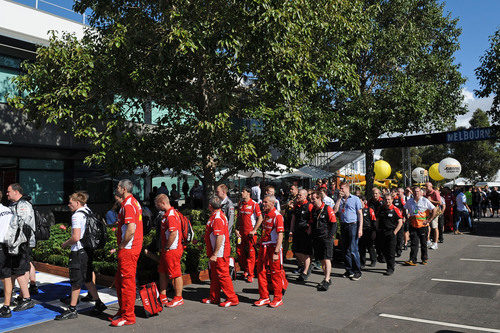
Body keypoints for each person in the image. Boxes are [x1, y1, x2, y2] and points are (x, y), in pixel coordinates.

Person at [55, 192, 107, 320]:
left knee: (75, 281)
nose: (68, 205)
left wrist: (65, 244)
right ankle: (99, 303)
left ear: (77, 203)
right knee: (88, 278)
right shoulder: (87, 210)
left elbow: (76, 237)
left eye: (70, 202)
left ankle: (72, 309)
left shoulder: (77, 216)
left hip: (78, 251)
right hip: (88, 250)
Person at [109, 179, 143, 327]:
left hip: (128, 249)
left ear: (123, 189)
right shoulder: (132, 202)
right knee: (120, 282)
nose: (116, 189)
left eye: (118, 187)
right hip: (129, 247)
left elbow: (131, 229)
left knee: (126, 283)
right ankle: (123, 311)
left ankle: (128, 316)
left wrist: (122, 245)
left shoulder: (129, 204)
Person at [250, 195, 287, 307]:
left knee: (276, 273)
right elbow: (266, 231)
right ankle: (264, 297)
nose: (263, 204)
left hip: (273, 248)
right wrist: (259, 241)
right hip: (264, 247)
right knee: (260, 271)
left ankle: (277, 298)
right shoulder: (266, 215)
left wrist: (276, 252)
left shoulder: (277, 216)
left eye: (266, 202)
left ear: (272, 203)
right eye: (263, 202)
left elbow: (280, 235)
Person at [202, 197, 239, 307]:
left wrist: (215, 253)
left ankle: (232, 299)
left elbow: (220, 237)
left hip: (219, 253)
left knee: (223, 276)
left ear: (210, 206)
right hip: (217, 252)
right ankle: (214, 297)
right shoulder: (217, 216)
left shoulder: (217, 218)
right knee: (215, 275)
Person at [5, 183, 35, 312]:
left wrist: (13, 243)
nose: (7, 193)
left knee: (18, 270)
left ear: (16, 192)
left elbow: (21, 227)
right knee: (21, 269)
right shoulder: (15, 205)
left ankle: (27, 299)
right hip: (19, 243)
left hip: (21, 244)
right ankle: (22, 296)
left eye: (9, 191)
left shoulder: (23, 205)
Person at [154, 194, 184, 308]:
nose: (157, 207)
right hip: (168, 249)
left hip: (172, 250)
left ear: (162, 203)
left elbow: (173, 233)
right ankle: (163, 295)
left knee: (175, 274)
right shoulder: (168, 214)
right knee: (162, 271)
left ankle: (178, 297)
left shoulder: (171, 215)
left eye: (157, 204)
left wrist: (167, 246)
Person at [334, 182, 363, 281]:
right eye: (340, 188)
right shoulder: (340, 199)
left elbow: (360, 214)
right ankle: (349, 270)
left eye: (342, 188)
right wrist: (338, 199)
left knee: (353, 249)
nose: (340, 190)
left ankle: (357, 271)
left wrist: (360, 228)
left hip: (353, 225)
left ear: (347, 188)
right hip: (343, 225)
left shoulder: (355, 199)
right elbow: (335, 210)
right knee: (345, 249)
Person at [404, 186, 438, 266]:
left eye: (418, 191)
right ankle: (412, 260)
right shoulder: (410, 201)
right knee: (414, 243)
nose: (416, 193)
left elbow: (434, 210)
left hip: (423, 226)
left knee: (423, 243)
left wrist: (429, 220)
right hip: (413, 225)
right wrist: (406, 218)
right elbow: (404, 209)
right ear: (412, 192)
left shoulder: (425, 200)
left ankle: (424, 259)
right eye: (415, 191)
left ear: (420, 192)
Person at [310, 191, 337, 291]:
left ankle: (327, 279)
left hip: (326, 238)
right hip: (317, 238)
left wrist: (330, 236)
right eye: (311, 198)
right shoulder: (314, 209)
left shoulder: (327, 208)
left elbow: (334, 224)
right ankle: (327, 277)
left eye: (314, 198)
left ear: (319, 198)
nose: (312, 200)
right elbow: (312, 223)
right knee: (321, 259)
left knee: (327, 259)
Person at [235, 187, 262, 283]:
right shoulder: (240, 204)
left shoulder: (254, 204)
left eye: (243, 191)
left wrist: (254, 230)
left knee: (251, 253)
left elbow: (260, 218)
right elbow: (238, 218)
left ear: (248, 193)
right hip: (241, 233)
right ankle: (246, 269)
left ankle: (251, 274)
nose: (241, 192)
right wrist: (236, 229)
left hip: (250, 233)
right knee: (240, 252)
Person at [290, 189, 313, 281]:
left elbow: (312, 219)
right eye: (298, 195)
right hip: (297, 231)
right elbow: (293, 219)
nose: (298, 196)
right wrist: (291, 230)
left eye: (300, 195)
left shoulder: (309, 206)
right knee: (295, 250)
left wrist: (309, 229)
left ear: (305, 196)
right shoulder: (296, 206)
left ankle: (305, 271)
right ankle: (305, 265)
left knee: (305, 252)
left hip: (305, 232)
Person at [377, 194, 403, 276]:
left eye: (388, 199)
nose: (387, 201)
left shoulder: (395, 209)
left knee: (391, 252)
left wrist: (395, 232)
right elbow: (377, 219)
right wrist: (377, 229)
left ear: (392, 200)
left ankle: (390, 268)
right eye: (385, 200)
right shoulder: (381, 208)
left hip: (391, 233)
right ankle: (390, 263)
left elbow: (400, 222)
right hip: (382, 232)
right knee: (383, 250)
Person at [0, 191, 14, 318]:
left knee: (5, 276)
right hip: (7, 245)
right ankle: (6, 305)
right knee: (6, 276)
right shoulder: (8, 210)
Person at [358, 196, 377, 268]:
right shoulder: (358, 210)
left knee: (370, 247)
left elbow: (374, 221)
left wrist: (374, 231)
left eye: (360, 201)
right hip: (360, 230)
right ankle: (362, 262)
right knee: (361, 248)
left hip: (368, 231)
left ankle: (373, 260)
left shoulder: (369, 210)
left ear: (364, 201)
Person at [368, 188, 384, 263]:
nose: (375, 195)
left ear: (379, 194)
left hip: (381, 223)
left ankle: (381, 256)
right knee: (372, 241)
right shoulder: (370, 201)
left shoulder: (382, 202)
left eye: (376, 194)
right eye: (374, 193)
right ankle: (374, 258)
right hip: (372, 223)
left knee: (381, 241)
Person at [424, 182, 441, 250]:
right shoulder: (427, 193)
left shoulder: (435, 192)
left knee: (434, 227)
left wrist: (431, 200)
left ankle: (435, 243)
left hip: (435, 211)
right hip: (429, 211)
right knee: (427, 225)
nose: (426, 188)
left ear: (431, 186)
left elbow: (439, 202)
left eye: (427, 186)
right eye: (425, 186)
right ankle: (428, 241)